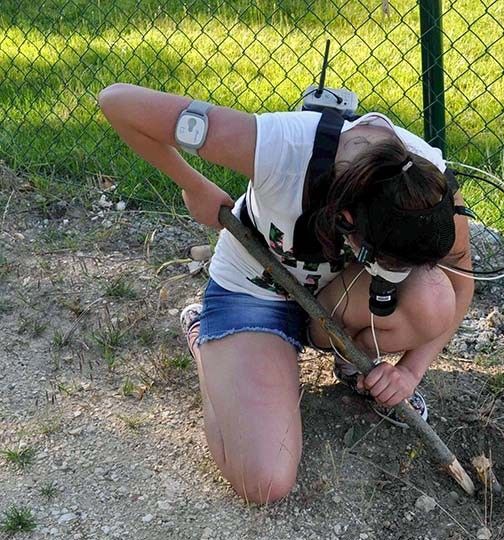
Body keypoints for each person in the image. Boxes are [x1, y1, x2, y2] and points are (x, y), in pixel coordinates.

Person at [98, 83, 473, 504]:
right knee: (264, 482)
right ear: (347, 220)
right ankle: (208, 341)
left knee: (432, 297)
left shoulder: (427, 183)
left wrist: (410, 372)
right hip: (254, 292)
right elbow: (119, 102)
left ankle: (351, 363)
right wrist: (193, 184)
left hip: (333, 301)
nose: (396, 273)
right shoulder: (281, 147)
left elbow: (460, 282)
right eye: (387, 261)